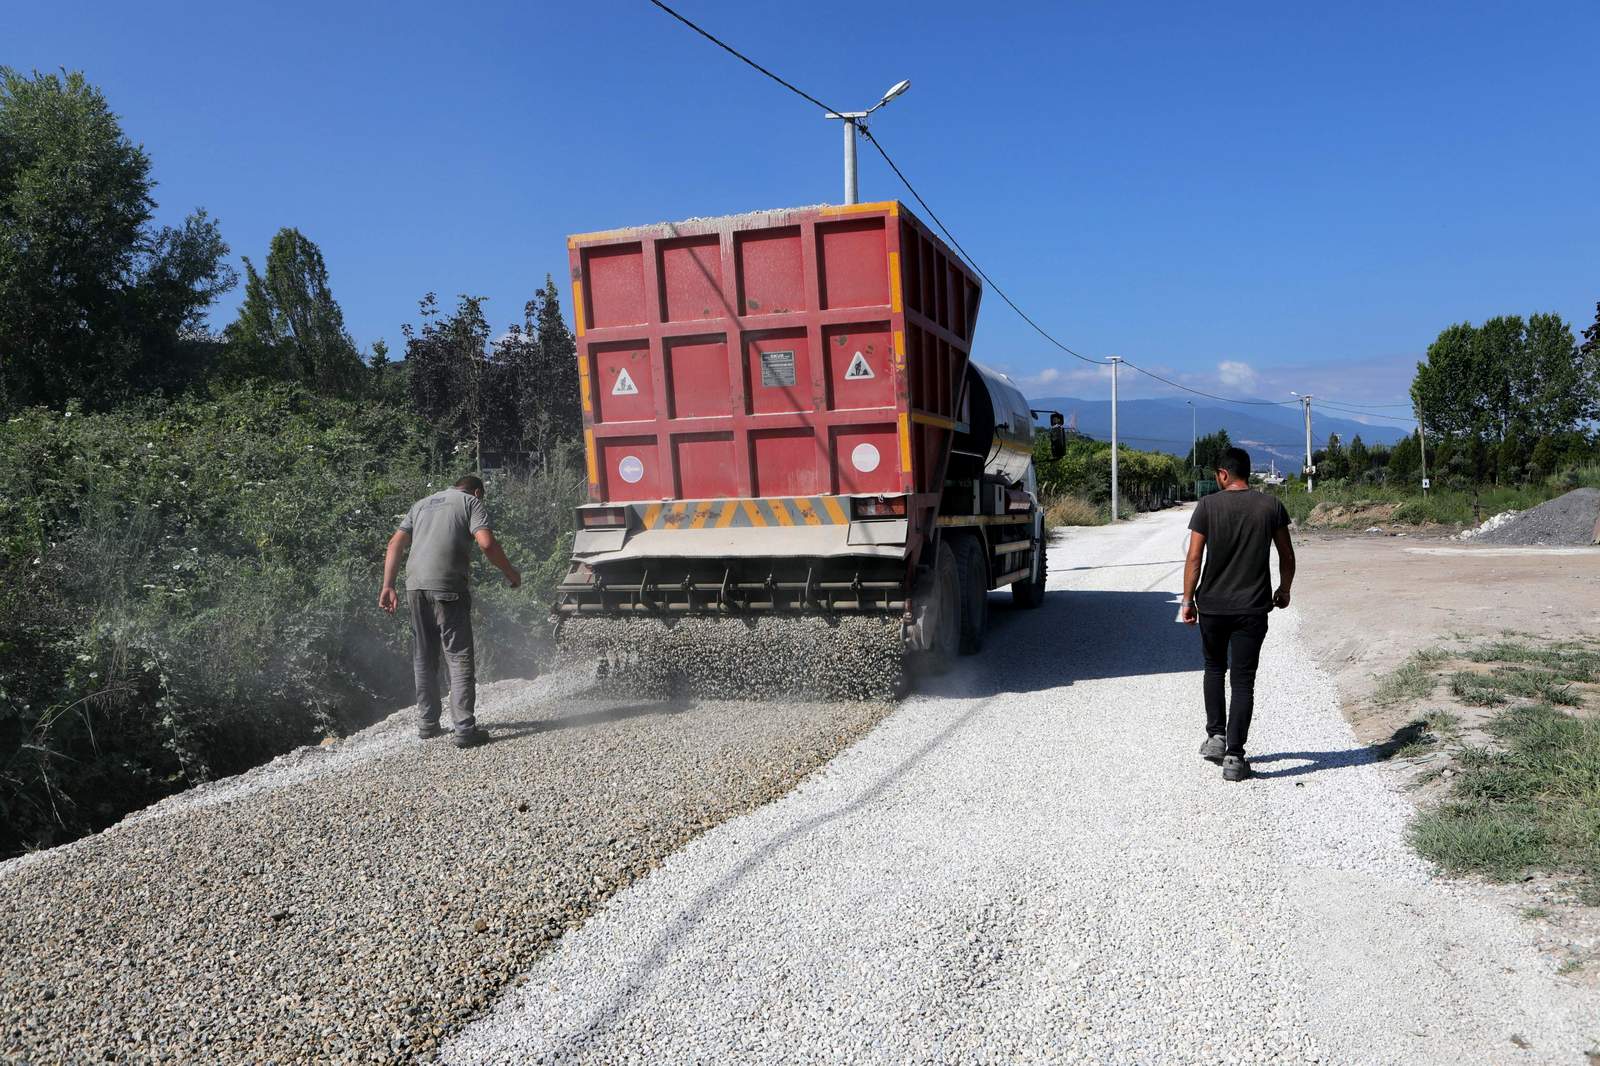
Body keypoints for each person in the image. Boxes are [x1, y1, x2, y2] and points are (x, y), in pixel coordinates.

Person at [1179, 447, 1295, 782]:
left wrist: (1188, 600)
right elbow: (1287, 555)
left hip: (1213, 606)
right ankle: (1234, 757)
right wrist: (1284, 590)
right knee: (1243, 679)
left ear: (1223, 474)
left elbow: (1194, 558)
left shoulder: (1208, 506)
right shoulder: (1271, 505)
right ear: (1246, 472)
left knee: (1214, 668)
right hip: (1252, 608)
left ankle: (1216, 736)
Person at [379, 475, 521, 748]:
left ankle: (428, 724)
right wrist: (510, 572)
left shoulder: (421, 504)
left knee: (424, 655)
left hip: (415, 588)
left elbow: (394, 544)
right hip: (448, 588)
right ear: (477, 492)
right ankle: (465, 728)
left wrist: (388, 585)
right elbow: (486, 543)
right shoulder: (471, 503)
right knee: (457, 656)